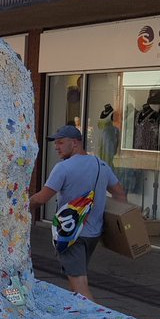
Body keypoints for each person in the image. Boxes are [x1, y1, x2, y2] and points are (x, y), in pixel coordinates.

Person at [29, 123, 127, 299]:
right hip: (93, 234)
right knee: (79, 277)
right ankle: (80, 313)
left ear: (75, 143)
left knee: (79, 286)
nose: (56, 147)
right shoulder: (101, 165)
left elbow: (41, 199)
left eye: (60, 143)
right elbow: (119, 194)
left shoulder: (63, 168)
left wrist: (17, 209)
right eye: (55, 143)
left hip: (71, 234)